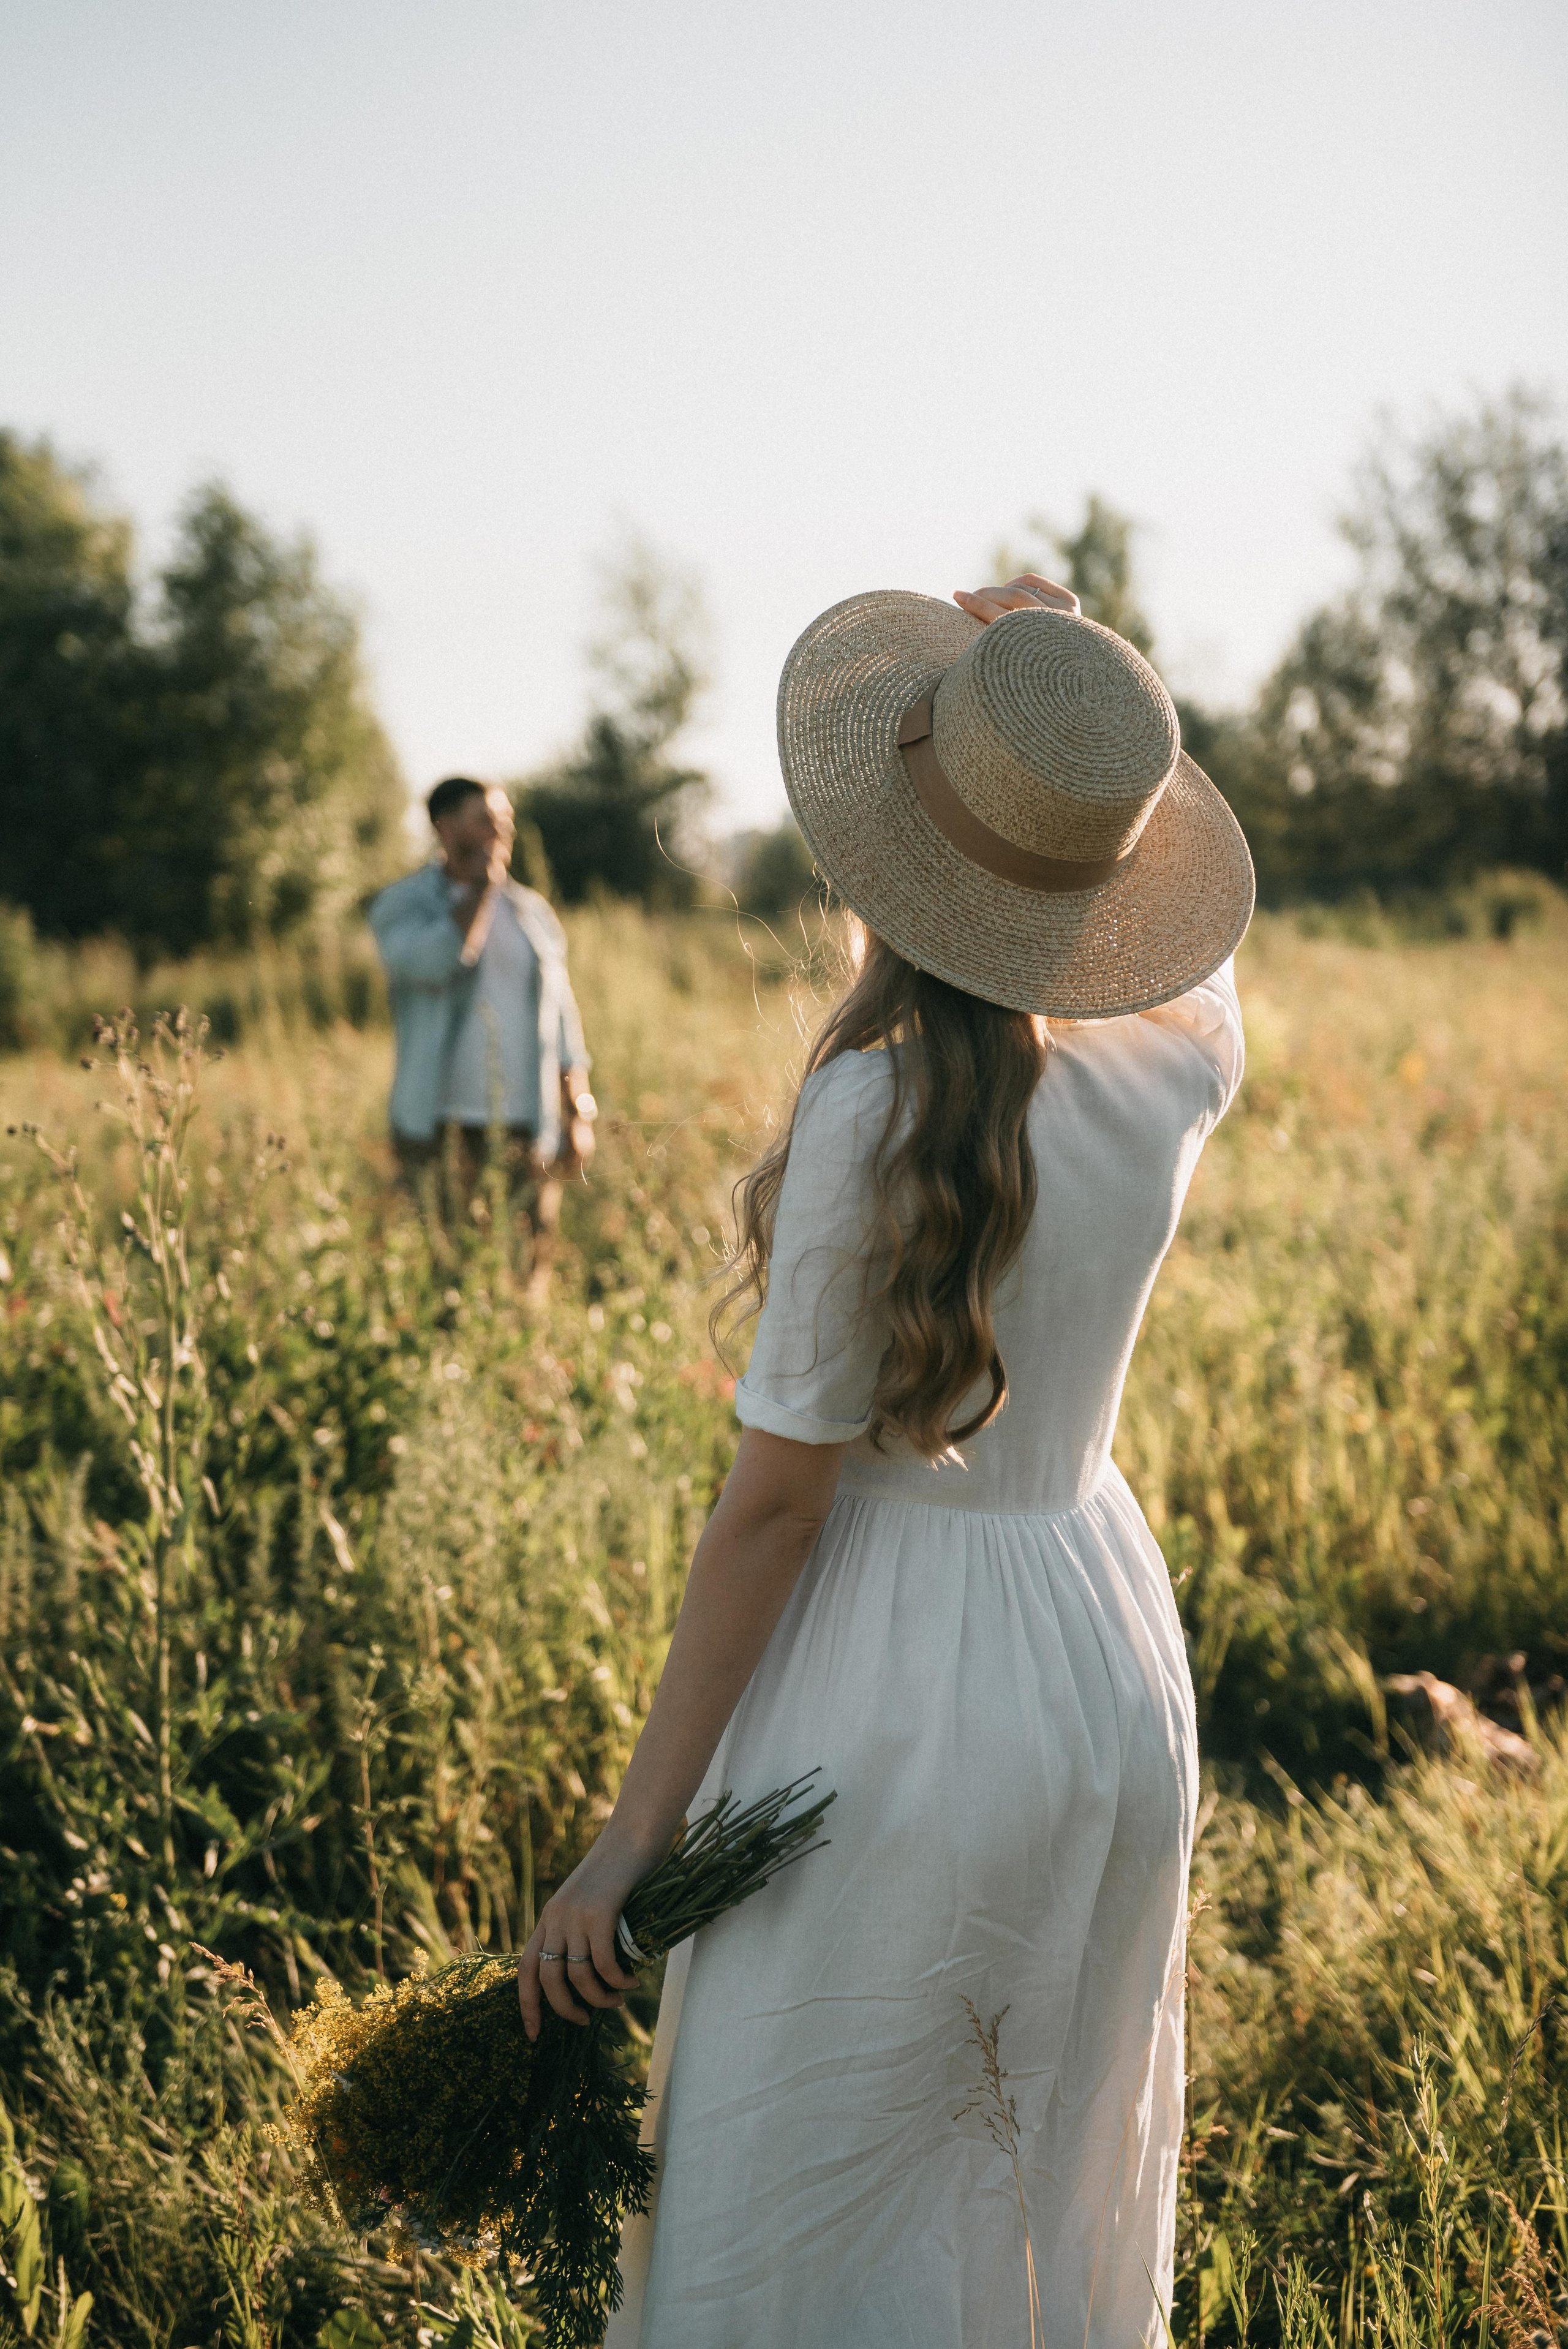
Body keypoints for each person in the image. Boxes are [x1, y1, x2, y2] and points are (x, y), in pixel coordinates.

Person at [518, 576, 1256, 2347]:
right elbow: (1204, 939)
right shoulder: (1169, 1063)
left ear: (885, 852)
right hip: (1098, 1651)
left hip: (898, 1689)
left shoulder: (873, 1112)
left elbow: (773, 1511)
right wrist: (1085, 710)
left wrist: (628, 1846)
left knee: (811, 2181)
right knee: (1036, 2158)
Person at [368, 777, 595, 1288]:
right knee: (443, 1267)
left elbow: (562, 1016)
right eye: (486, 820)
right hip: (437, 1120)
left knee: (527, 1258)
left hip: (524, 1119)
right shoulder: (401, 905)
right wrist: (480, 889)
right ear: (446, 829)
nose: (503, 831)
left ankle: (522, 1363)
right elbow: (438, 960)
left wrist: (576, 1107)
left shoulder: (533, 912)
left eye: (506, 821)